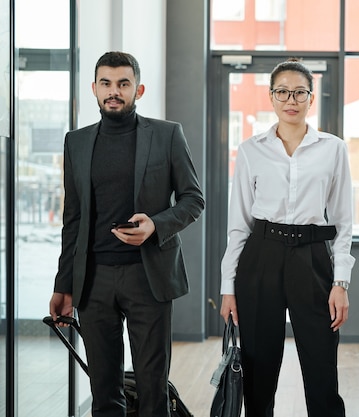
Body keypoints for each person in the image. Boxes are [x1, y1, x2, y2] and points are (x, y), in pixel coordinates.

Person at [49, 51, 205, 417]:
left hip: (147, 277)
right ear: (94, 88)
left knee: (152, 388)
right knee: (104, 390)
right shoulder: (77, 142)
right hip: (94, 281)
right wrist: (64, 284)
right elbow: (72, 219)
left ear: (139, 89)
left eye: (123, 84)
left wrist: (156, 225)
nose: (113, 91)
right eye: (106, 83)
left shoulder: (167, 135)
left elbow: (193, 199)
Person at [219, 58, 355, 417]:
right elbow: (239, 224)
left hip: (312, 257)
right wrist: (227, 286)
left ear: (311, 98)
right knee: (258, 366)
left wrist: (341, 282)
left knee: (322, 363)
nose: (290, 99)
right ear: (271, 97)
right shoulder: (251, 150)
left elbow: (343, 222)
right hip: (261, 256)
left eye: (299, 92)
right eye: (282, 91)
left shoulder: (333, 149)